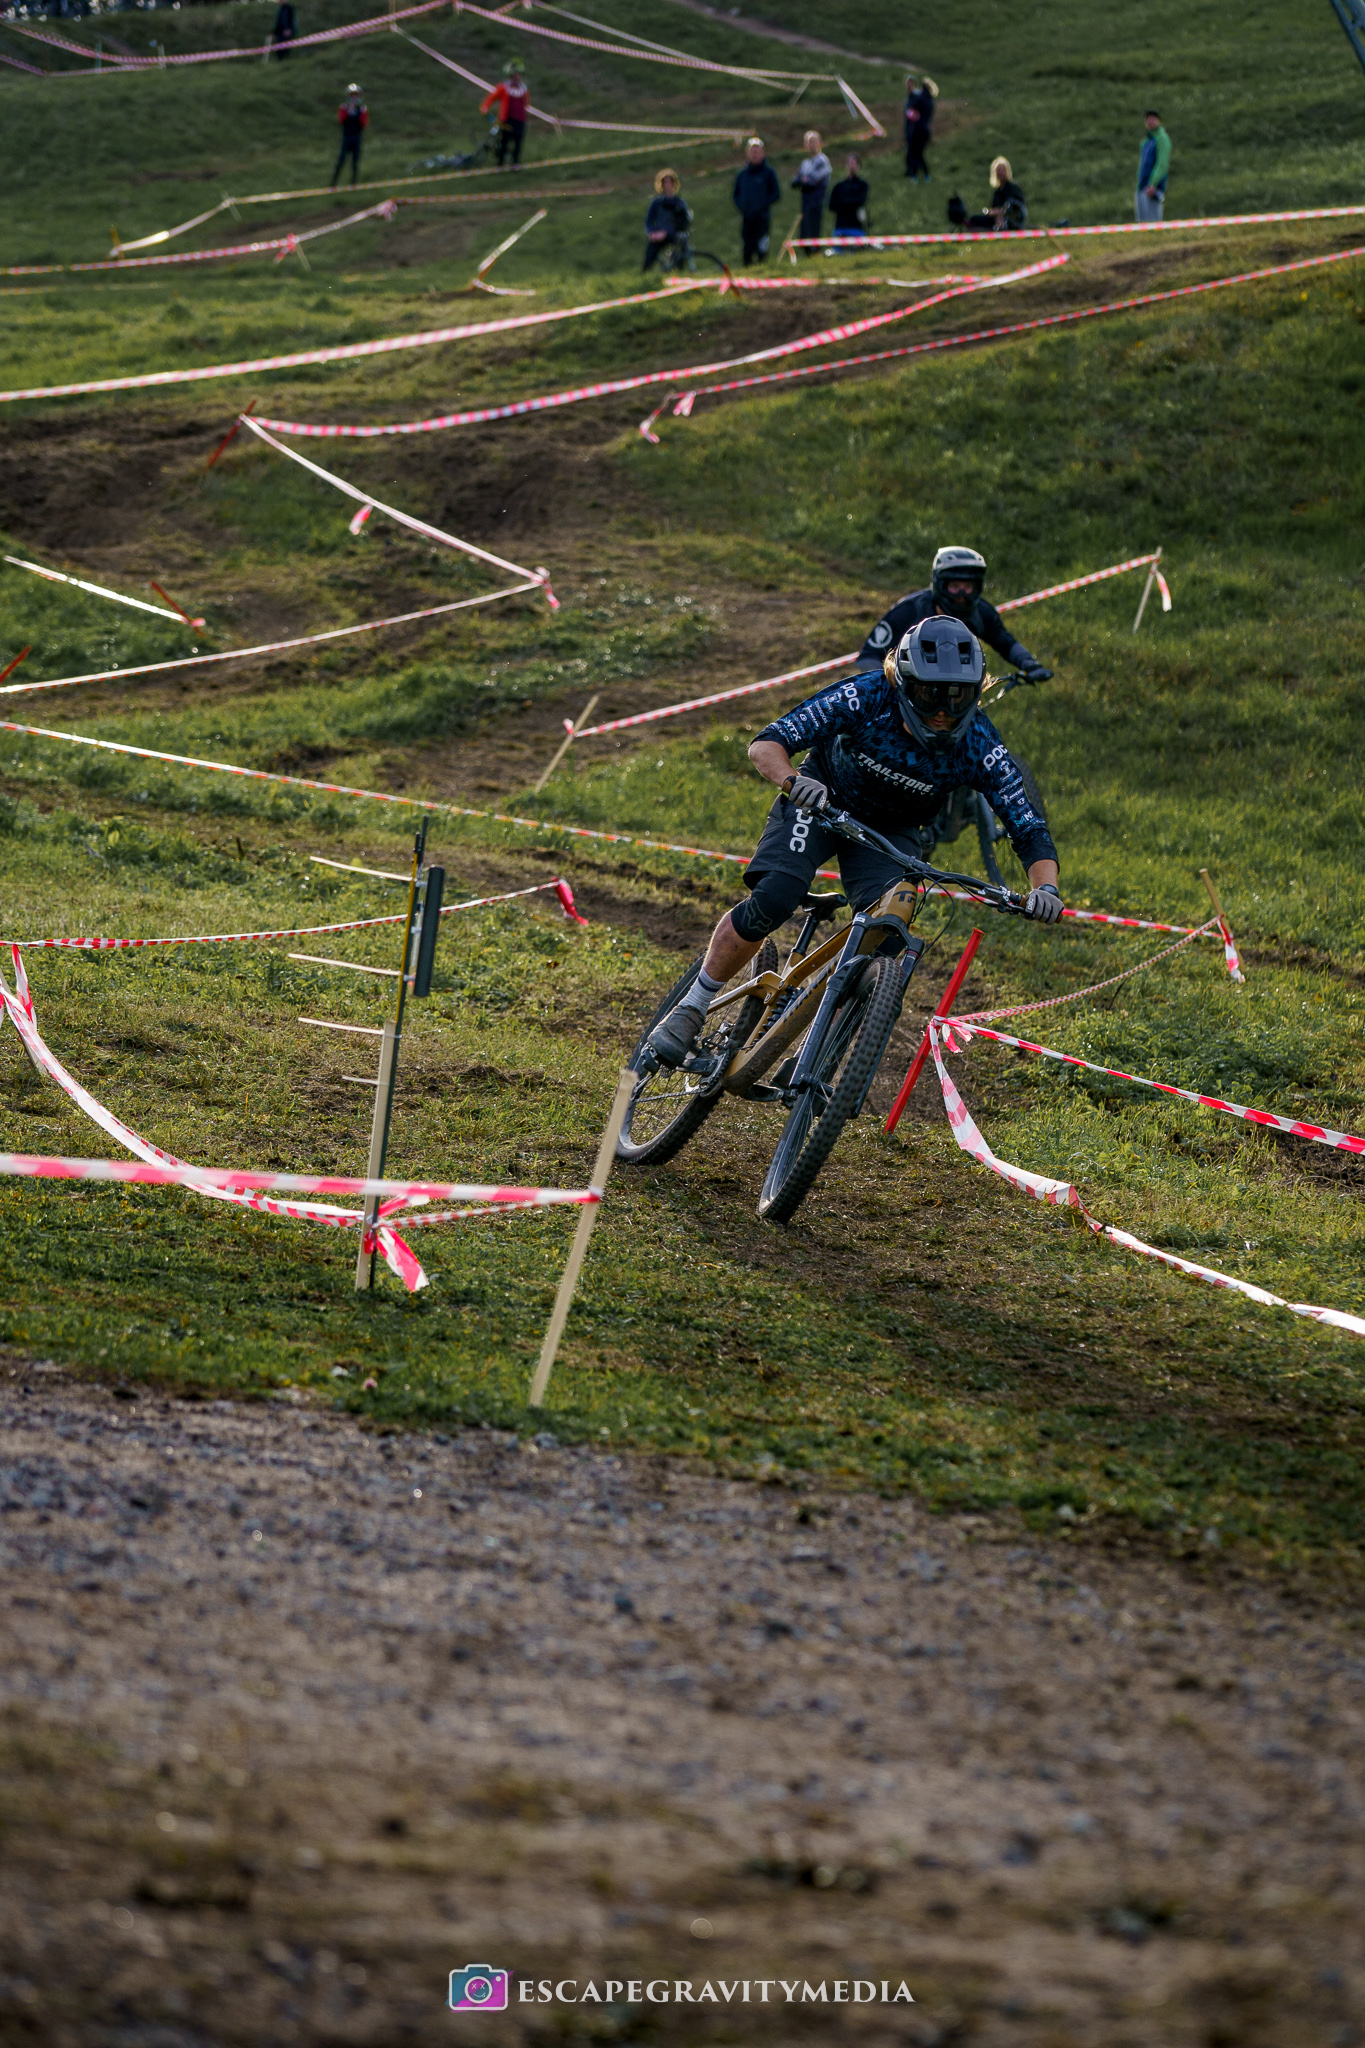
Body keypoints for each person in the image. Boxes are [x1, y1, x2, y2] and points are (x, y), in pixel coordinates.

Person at [645, 617, 1063, 1068]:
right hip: (821, 802)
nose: (943, 710)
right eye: (930, 695)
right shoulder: (865, 695)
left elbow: (1027, 825)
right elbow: (767, 743)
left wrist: (1045, 888)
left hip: (891, 833)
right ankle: (692, 1006)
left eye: (957, 696)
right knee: (777, 896)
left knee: (889, 931)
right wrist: (792, 781)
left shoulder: (979, 742)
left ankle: (816, 1051)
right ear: (902, 684)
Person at [859, 546, 1052, 682]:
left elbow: (1006, 643)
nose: (962, 595)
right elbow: (869, 656)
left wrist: (1029, 664)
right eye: (954, 586)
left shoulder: (982, 613)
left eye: (968, 587)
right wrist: (890, 685)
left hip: (959, 696)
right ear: (939, 585)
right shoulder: (909, 611)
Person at [732, 136, 780, 266]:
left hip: (762, 217)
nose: (755, 154)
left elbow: (776, 193)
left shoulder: (769, 173)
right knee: (747, 246)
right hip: (747, 217)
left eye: (757, 152)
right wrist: (743, 207)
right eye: (752, 151)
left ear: (763, 153)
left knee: (762, 245)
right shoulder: (742, 175)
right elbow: (736, 195)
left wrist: (762, 205)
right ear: (747, 153)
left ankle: (762, 266)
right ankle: (747, 267)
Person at [950, 156, 1027, 232]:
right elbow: (994, 207)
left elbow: (1015, 206)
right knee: (974, 218)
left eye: (1002, 170)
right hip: (995, 219)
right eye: (998, 170)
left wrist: (1001, 212)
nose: (1000, 173)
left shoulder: (1014, 188)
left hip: (1011, 220)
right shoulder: (997, 191)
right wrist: (992, 213)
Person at [480, 59, 530, 169]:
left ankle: (515, 163)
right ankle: (500, 164)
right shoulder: (504, 87)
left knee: (518, 143)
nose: (517, 77)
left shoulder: (523, 89)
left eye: (519, 74)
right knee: (504, 142)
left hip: (520, 120)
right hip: (507, 120)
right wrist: (485, 108)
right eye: (515, 74)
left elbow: (526, 103)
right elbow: (491, 98)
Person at [643, 167, 693, 272]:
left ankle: (681, 270)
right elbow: (649, 222)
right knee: (651, 251)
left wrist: (667, 232)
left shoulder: (679, 202)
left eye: (670, 182)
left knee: (682, 243)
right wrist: (653, 233)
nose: (668, 185)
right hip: (659, 235)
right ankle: (646, 272)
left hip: (675, 234)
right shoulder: (657, 203)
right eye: (665, 182)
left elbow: (685, 221)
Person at [791, 128, 831, 247]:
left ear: (820, 143)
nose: (811, 145)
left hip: (816, 200)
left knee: (814, 229)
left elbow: (815, 180)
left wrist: (804, 179)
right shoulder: (805, 163)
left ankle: (815, 251)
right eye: (808, 142)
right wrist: (804, 180)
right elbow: (796, 181)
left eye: (813, 141)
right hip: (805, 201)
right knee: (805, 231)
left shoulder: (823, 160)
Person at [1136, 110, 1172, 223]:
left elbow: (1162, 163)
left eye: (1153, 119)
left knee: (1153, 223)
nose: (1150, 121)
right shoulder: (1146, 142)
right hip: (1142, 186)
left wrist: (1153, 183)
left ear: (1158, 121)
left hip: (1153, 187)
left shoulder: (1162, 138)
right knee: (1142, 223)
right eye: (1148, 119)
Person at [827, 153, 869, 248]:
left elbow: (860, 201)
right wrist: (851, 203)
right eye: (850, 163)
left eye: (854, 163)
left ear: (858, 166)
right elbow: (832, 205)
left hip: (856, 227)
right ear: (846, 165)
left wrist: (842, 203)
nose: (852, 166)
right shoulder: (839, 186)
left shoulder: (862, 185)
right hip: (840, 226)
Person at [331, 85, 368, 188]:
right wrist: (349, 111)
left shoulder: (362, 109)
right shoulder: (344, 108)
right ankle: (333, 183)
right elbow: (341, 120)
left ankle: (353, 183)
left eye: (356, 95)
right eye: (352, 95)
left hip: (356, 137)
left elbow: (364, 124)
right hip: (347, 137)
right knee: (341, 160)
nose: (354, 97)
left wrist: (357, 112)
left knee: (355, 162)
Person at [903, 73, 937, 180]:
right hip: (926, 130)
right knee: (919, 153)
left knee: (914, 153)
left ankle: (916, 175)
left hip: (917, 129)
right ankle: (924, 175)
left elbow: (910, 112)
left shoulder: (919, 99)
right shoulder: (931, 101)